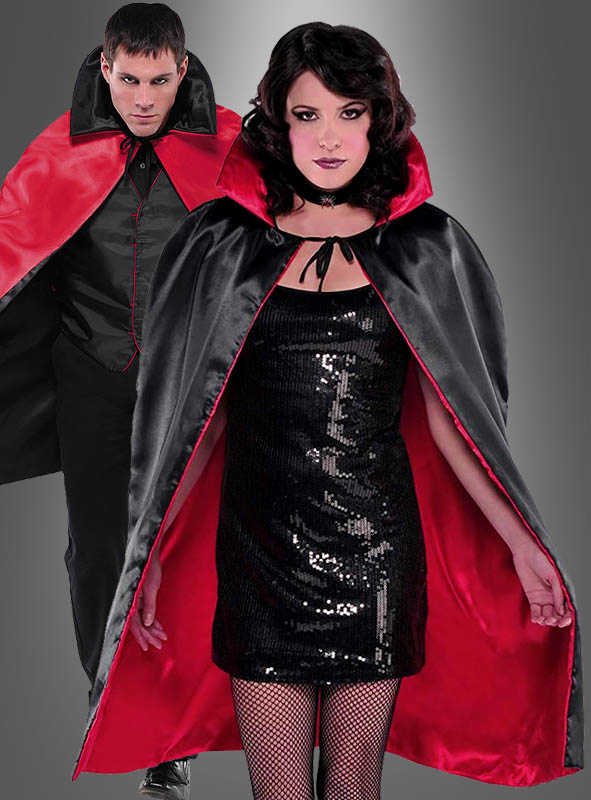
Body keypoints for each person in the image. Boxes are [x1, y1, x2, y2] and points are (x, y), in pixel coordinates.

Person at [71, 21, 583, 795]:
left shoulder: (425, 246)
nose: (329, 138)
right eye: (307, 115)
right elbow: (197, 420)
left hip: (375, 555)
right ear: (278, 123)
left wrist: (520, 543)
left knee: (352, 784)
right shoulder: (221, 243)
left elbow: (454, 421)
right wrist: (154, 552)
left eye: (350, 113)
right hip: (258, 556)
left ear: (379, 120)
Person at [0, 3, 240, 797]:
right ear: (105, 69)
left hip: (191, 381)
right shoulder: (59, 151)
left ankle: (181, 724)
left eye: (158, 80)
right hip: (91, 371)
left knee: (187, 550)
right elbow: (12, 248)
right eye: (129, 79)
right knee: (99, 548)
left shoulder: (231, 147)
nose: (143, 97)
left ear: (182, 70)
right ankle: (119, 706)